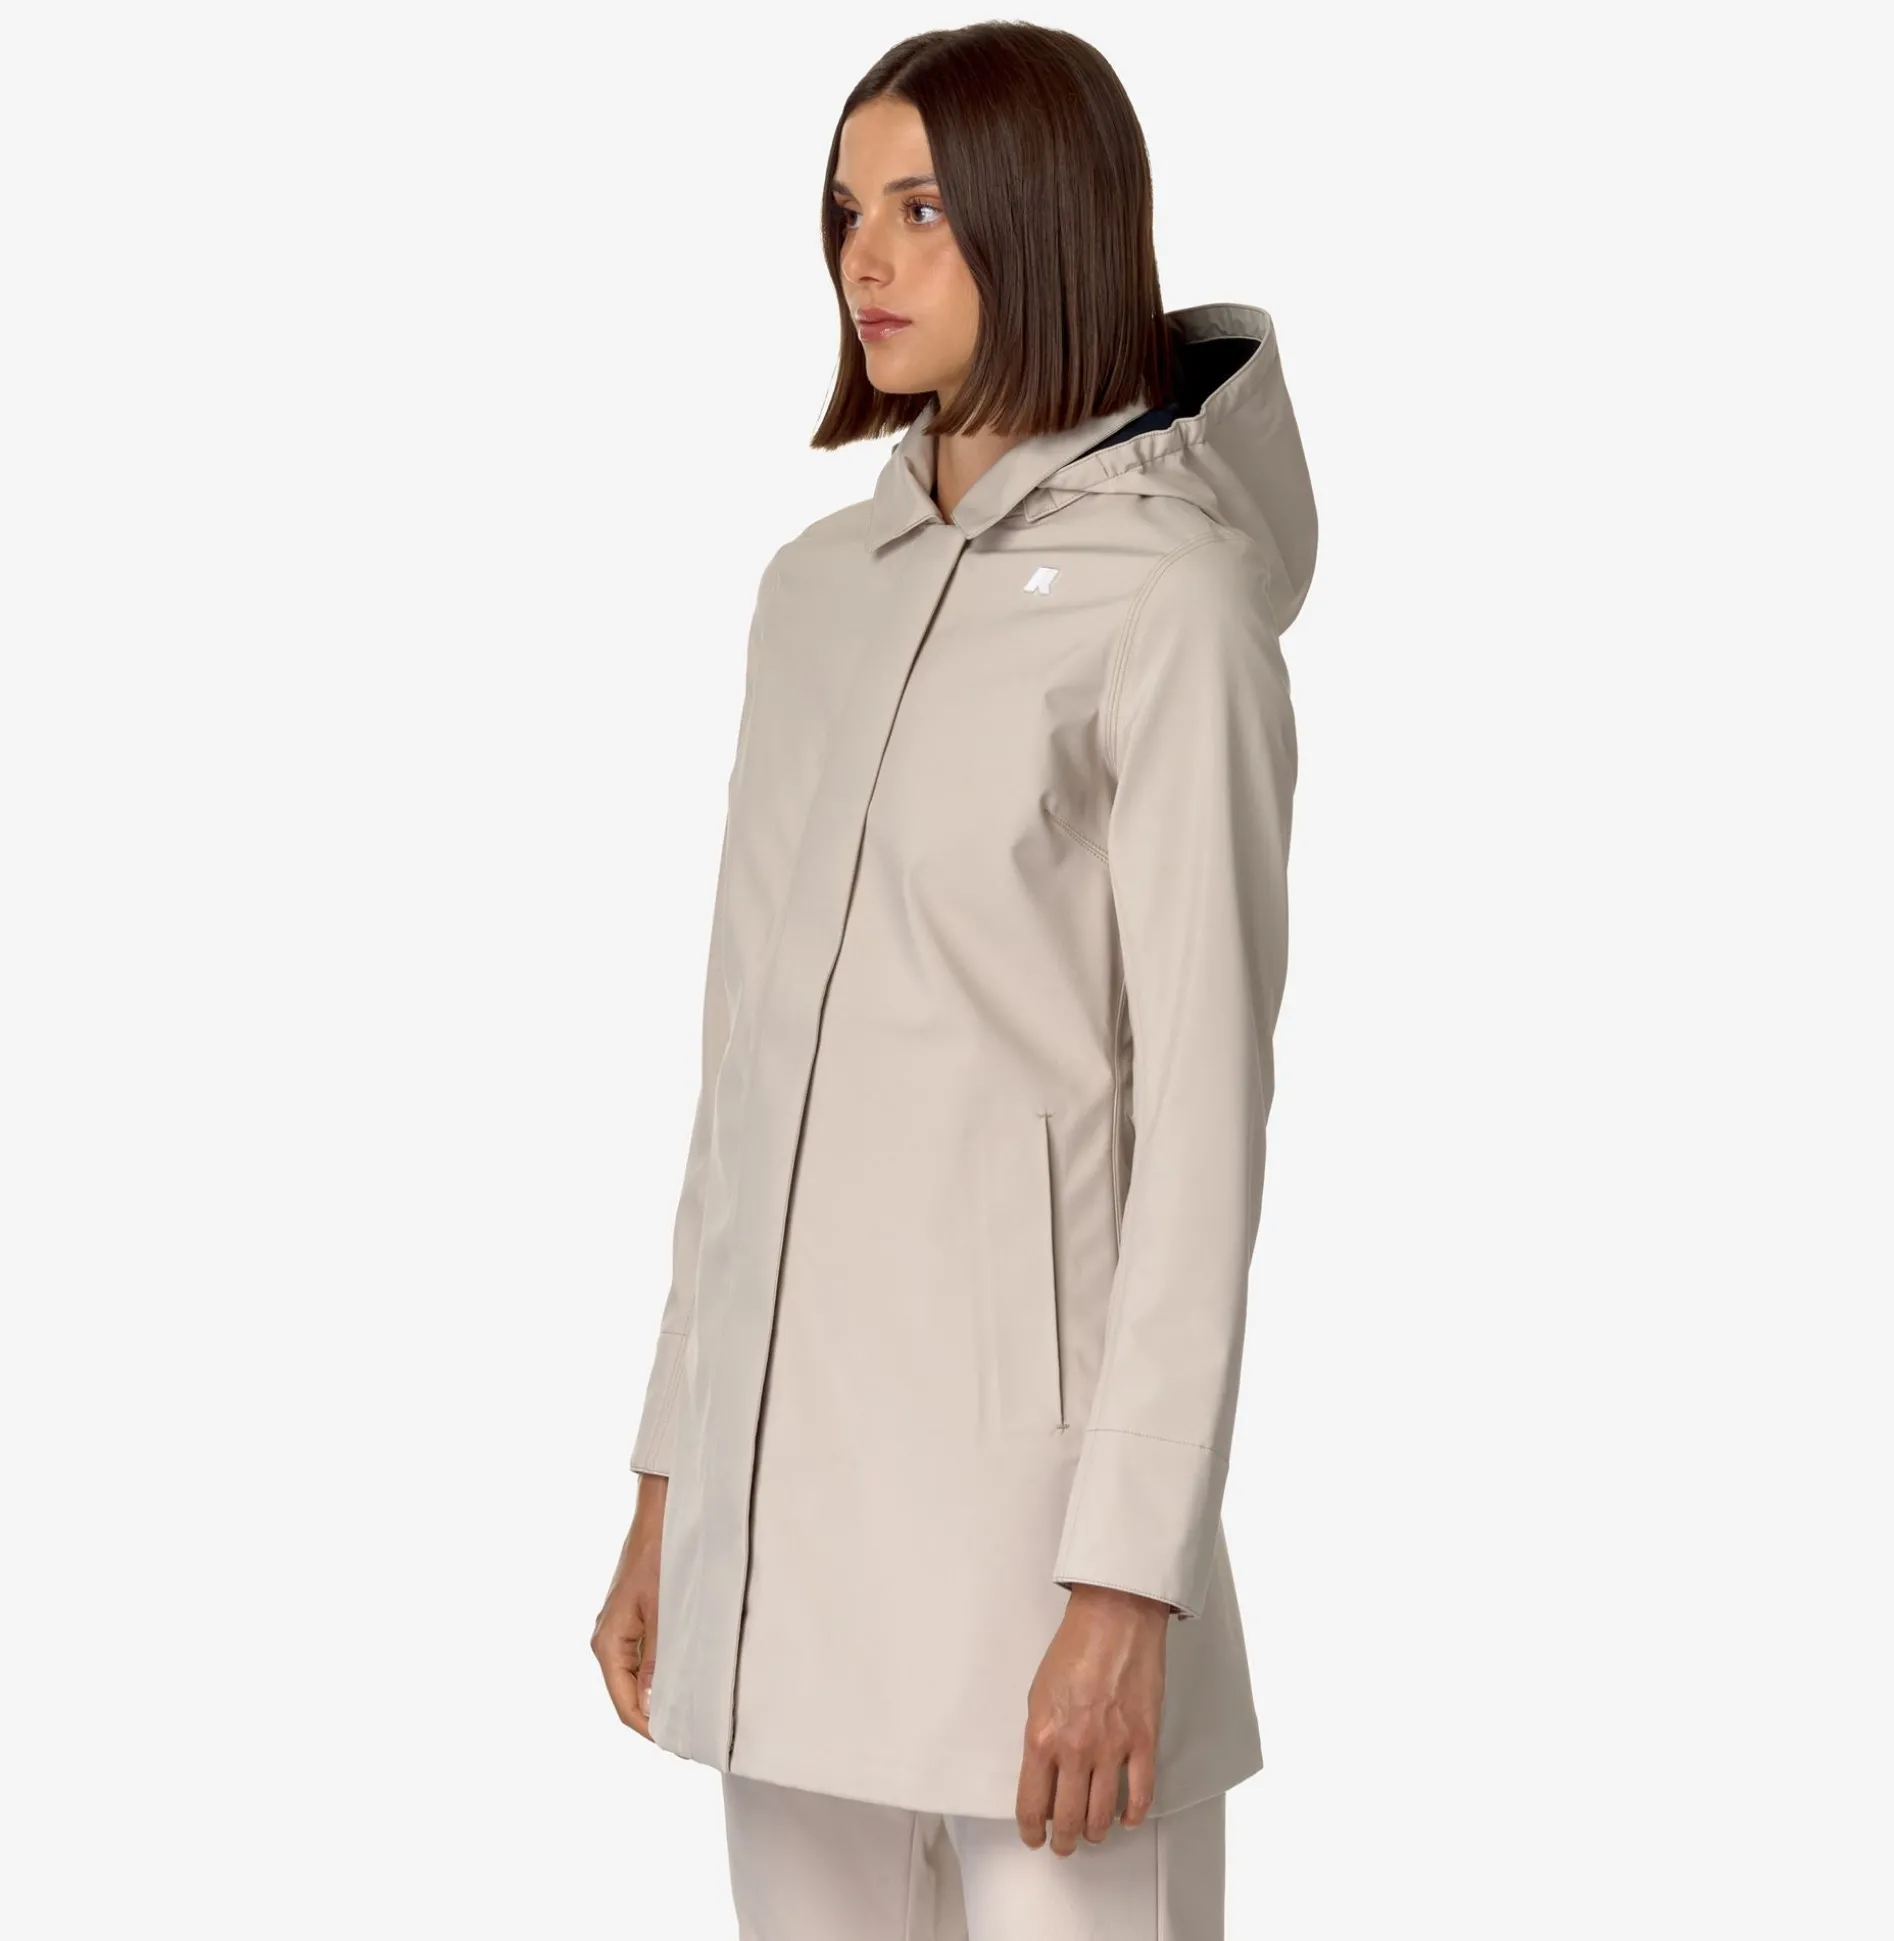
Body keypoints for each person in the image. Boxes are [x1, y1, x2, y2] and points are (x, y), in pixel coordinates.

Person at [591, 20, 1318, 1937]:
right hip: (783, 1541)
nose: (868, 259)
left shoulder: (1176, 607)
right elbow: (744, 1084)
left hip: (1036, 1562)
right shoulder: (812, 599)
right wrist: (671, 1480)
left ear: (1049, 217)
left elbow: (1203, 1137)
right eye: (847, 212)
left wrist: (1130, 1583)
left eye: (923, 209)